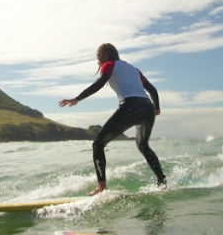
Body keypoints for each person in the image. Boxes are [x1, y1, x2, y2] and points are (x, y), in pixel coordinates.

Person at [60, 43, 167, 196]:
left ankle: (101, 187)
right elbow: (152, 90)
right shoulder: (134, 70)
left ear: (105, 54)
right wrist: (156, 108)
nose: (98, 59)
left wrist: (77, 99)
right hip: (147, 108)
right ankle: (162, 182)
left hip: (131, 105)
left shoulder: (109, 65)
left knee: (98, 144)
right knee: (143, 145)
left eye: (99, 55)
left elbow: (100, 83)